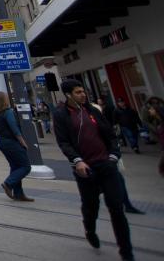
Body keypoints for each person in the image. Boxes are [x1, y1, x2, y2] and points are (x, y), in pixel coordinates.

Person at [54, 80, 133, 261]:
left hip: (106, 165)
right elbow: (63, 142)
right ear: (68, 95)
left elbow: (111, 136)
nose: (83, 95)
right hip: (85, 168)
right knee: (91, 206)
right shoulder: (61, 115)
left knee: (116, 208)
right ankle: (90, 229)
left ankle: (126, 252)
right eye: (78, 92)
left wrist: (113, 156)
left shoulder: (93, 111)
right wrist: (77, 160)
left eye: (83, 91)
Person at [0, 91, 33, 201]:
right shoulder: (7, 112)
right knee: (25, 166)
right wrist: (22, 142)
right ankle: (8, 183)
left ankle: (18, 193)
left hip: (1, 141)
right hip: (11, 141)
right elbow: (14, 128)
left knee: (15, 166)